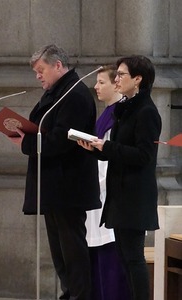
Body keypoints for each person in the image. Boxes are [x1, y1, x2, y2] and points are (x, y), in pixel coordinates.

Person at [10, 44, 101, 300]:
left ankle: (80, 296)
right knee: (61, 253)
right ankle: (69, 295)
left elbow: (62, 140)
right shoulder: (58, 93)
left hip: (68, 187)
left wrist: (25, 142)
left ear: (58, 66)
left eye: (41, 70)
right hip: (55, 187)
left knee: (73, 252)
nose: (38, 76)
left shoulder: (74, 95)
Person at [78, 55, 162, 300]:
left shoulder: (146, 111)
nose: (117, 79)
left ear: (138, 79)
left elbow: (144, 156)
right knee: (126, 258)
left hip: (135, 197)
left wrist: (107, 147)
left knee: (134, 259)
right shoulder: (127, 109)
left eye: (121, 75)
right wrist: (95, 150)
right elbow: (118, 151)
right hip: (121, 195)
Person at [85, 65, 130, 300]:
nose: (96, 87)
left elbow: (113, 157)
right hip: (96, 195)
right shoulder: (106, 113)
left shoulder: (121, 114)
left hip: (108, 194)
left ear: (116, 84)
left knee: (111, 261)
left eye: (101, 82)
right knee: (96, 260)